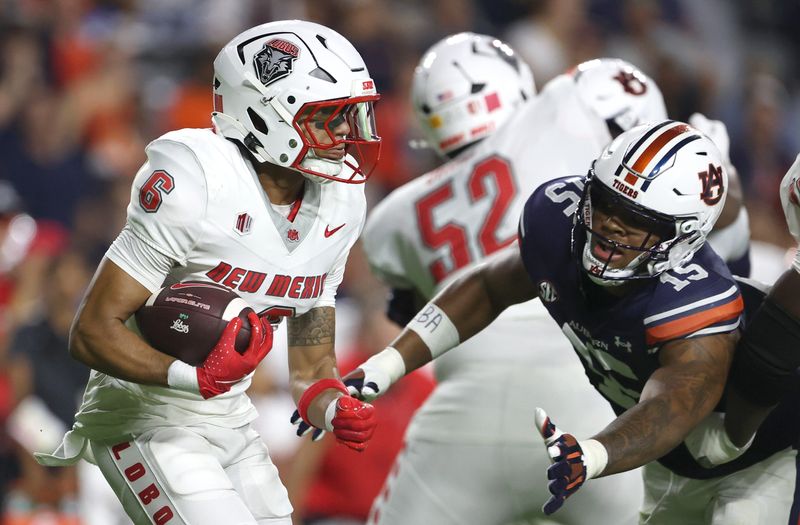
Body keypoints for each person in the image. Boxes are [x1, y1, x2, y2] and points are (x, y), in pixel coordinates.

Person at [344, 120, 797, 524]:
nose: (611, 226)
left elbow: (673, 404)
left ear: (682, 238)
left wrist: (595, 454)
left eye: (636, 221)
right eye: (605, 203)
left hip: (760, 458)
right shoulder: (558, 221)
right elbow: (487, 289)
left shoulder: (697, 299)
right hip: (669, 462)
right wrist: (387, 364)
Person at [35, 20, 381, 525]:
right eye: (330, 116)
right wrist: (190, 376)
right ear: (267, 118)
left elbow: (310, 361)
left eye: (352, 116)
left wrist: (331, 405)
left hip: (231, 418)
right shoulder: (196, 179)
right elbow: (90, 331)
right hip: (144, 416)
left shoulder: (342, 203)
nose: (348, 133)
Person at [364, 37, 652, 525]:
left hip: (461, 420)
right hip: (586, 398)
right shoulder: (566, 106)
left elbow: (418, 316)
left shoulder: (390, 221)